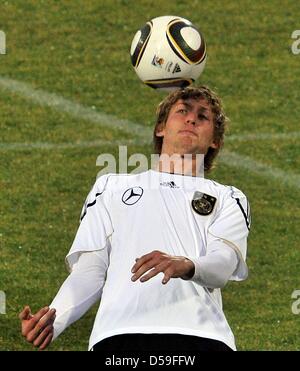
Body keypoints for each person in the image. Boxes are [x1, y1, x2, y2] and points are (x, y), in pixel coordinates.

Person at [19, 86, 250, 352]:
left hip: (201, 336)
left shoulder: (228, 198)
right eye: (183, 111)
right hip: (119, 335)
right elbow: (90, 271)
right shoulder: (110, 188)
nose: (191, 119)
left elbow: (222, 266)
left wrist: (187, 265)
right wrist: (54, 320)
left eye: (203, 116)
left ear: (215, 141)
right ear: (160, 128)